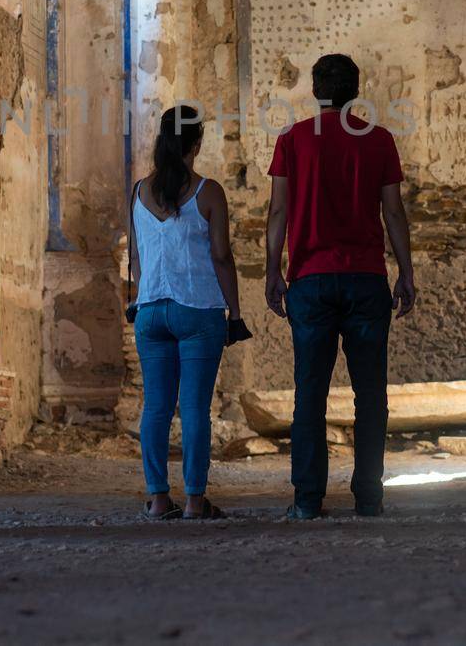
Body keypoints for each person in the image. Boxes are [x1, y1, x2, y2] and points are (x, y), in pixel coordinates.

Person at [265, 54, 416, 519]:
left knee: (309, 394)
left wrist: (273, 269)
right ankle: (369, 497)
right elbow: (393, 212)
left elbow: (278, 212)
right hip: (366, 280)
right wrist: (407, 273)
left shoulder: (292, 140)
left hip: (309, 281)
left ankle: (307, 501)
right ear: (356, 89)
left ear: (315, 90)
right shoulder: (379, 141)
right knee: (371, 395)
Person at [129, 104, 246, 520]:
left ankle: (159, 499)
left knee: (156, 408)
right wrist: (234, 312)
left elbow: (137, 258)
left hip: (149, 312)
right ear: (196, 143)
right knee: (195, 408)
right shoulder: (208, 191)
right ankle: (195, 500)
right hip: (197, 310)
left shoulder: (140, 191)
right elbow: (222, 257)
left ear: (162, 140)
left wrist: (138, 298)